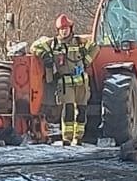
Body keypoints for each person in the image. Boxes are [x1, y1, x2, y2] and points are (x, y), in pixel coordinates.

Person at [34, 14, 93, 146]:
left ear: (70, 29)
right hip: (65, 84)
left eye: (66, 28)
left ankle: (79, 138)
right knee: (69, 110)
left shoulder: (79, 42)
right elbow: (35, 46)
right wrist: (45, 56)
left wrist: (86, 61)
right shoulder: (53, 44)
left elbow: (95, 47)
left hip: (82, 83)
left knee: (82, 111)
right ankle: (67, 139)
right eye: (61, 29)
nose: (64, 31)